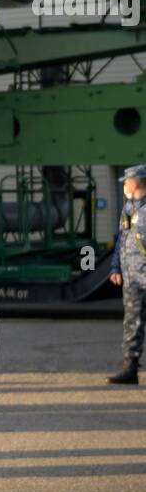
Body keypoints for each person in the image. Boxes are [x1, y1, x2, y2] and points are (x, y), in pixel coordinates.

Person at [107, 163, 146, 385]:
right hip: (132, 279)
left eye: (127, 181)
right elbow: (122, 241)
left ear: (137, 182)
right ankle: (130, 368)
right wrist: (115, 268)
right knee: (132, 323)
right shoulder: (129, 209)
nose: (124, 185)